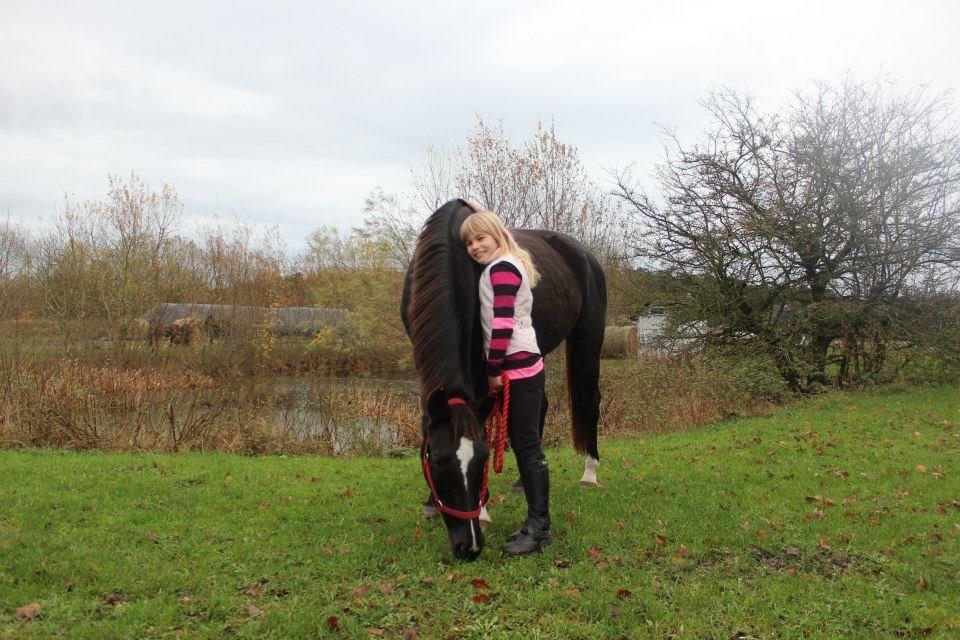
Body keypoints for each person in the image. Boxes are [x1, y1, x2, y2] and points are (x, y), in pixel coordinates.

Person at [460, 210, 551, 556]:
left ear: (497, 235)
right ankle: (535, 524)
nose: (474, 246)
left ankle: (539, 528)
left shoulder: (500, 269)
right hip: (523, 363)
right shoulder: (509, 263)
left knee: (528, 448)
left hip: (517, 367)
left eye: (481, 238)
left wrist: (493, 368)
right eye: (469, 242)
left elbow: (502, 325)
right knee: (525, 445)